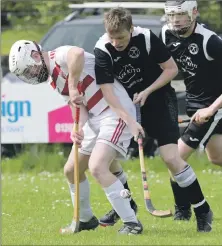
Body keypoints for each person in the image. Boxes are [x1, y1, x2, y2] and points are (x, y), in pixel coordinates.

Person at [94, 7, 213, 232]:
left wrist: (147, 91)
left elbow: (171, 69)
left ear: (130, 29)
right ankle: (127, 204)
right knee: (106, 159)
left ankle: (203, 210)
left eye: (121, 37)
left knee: (170, 158)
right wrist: (130, 120)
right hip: (126, 107)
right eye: (112, 37)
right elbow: (108, 93)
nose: (116, 42)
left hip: (159, 99)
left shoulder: (146, 38)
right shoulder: (102, 49)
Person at [8, 40, 143, 235]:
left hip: (114, 112)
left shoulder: (58, 55)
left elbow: (78, 53)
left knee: (97, 167)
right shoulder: (53, 81)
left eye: (29, 71)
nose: (31, 76)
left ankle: (132, 223)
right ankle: (86, 219)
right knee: (72, 170)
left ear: (35, 56)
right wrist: (76, 127)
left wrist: (72, 86)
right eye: (27, 75)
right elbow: (78, 106)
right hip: (95, 117)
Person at [160, 0, 222, 221]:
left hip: (215, 106)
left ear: (194, 13)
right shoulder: (166, 33)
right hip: (194, 105)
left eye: (181, 15)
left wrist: (212, 108)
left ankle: (183, 210)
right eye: (172, 15)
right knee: (216, 157)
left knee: (174, 157)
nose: (176, 20)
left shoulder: (210, 41)